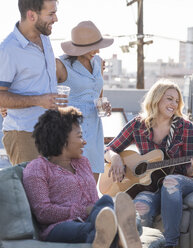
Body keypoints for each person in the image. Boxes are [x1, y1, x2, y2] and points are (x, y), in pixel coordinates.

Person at [104, 80, 193, 248]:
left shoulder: (185, 127)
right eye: (169, 99)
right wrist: (114, 158)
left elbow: (190, 171)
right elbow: (109, 149)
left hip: (184, 182)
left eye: (176, 101)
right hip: (151, 187)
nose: (174, 104)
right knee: (140, 208)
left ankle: (170, 244)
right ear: (156, 99)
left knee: (170, 181)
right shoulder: (138, 125)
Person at [22, 106, 141, 248]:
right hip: (59, 227)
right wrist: (83, 211)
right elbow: (43, 212)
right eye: (79, 136)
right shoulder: (37, 168)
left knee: (106, 201)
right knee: (97, 229)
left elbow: (95, 206)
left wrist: (97, 212)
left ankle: (116, 232)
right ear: (61, 139)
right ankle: (120, 234)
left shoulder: (83, 163)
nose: (84, 142)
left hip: (92, 220)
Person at [0, 0, 66, 165]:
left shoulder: (44, 38)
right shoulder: (8, 49)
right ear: (31, 15)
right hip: (24, 135)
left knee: (54, 190)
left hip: (51, 132)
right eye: (51, 14)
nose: (56, 19)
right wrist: (39, 100)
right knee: (32, 191)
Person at [56, 20, 113, 182]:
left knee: (91, 187)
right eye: (93, 46)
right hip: (71, 130)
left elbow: (97, 93)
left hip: (95, 128)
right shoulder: (60, 65)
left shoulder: (98, 61)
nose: (98, 50)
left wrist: (103, 104)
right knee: (72, 186)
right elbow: (40, 90)